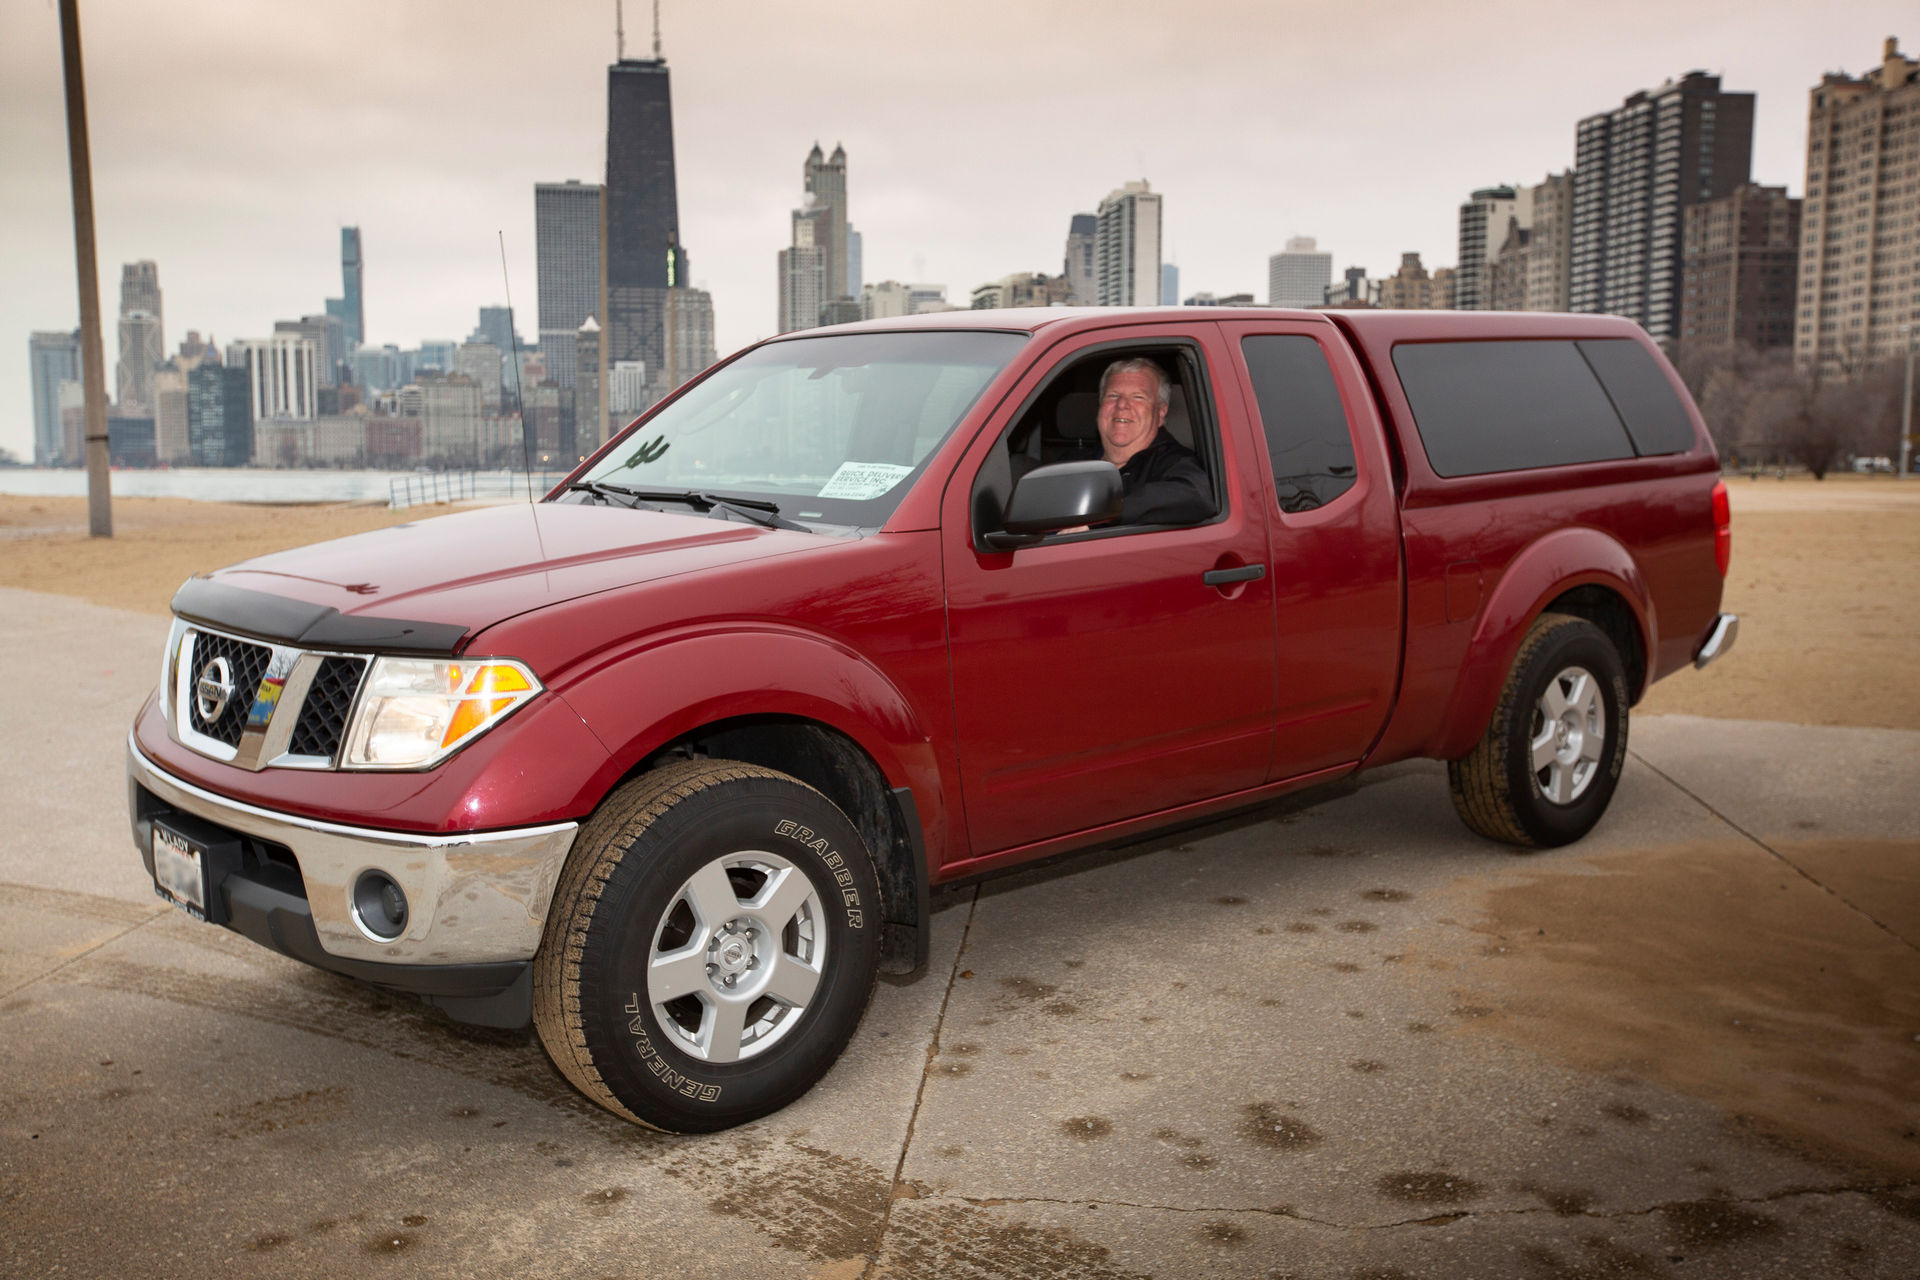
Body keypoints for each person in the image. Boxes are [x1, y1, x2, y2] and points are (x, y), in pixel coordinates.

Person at [1094, 358, 1213, 525]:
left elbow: (1197, 495)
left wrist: (1101, 517)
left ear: (1161, 411)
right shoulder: (1072, 462)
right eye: (1113, 395)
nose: (1121, 405)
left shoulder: (1175, 462)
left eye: (1138, 397)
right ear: (1100, 405)